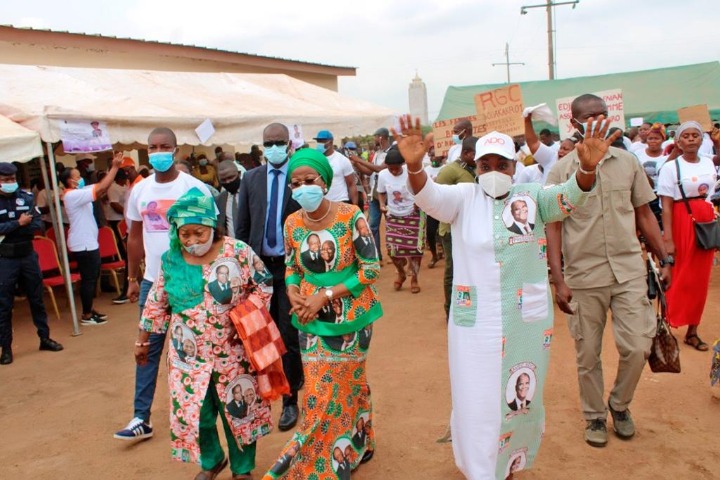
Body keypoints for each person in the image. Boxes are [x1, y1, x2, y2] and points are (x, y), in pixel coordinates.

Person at [394, 113, 606, 480]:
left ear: (514, 166)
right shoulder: (463, 197)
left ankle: (509, 463)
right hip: (473, 322)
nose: (493, 170)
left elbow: (570, 199)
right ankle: (478, 468)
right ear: (475, 166)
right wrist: (415, 168)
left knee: (519, 395)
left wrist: (586, 170)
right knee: (475, 395)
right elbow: (429, 196)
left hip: (524, 321)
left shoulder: (534, 196)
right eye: (485, 164)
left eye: (501, 164)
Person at [546, 94, 672, 449]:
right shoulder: (561, 171)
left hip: (629, 269)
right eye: (590, 117)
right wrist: (559, 279)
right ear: (575, 124)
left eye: (603, 114)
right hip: (584, 277)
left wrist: (665, 258)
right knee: (588, 355)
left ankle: (619, 405)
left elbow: (645, 214)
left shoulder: (627, 162)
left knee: (637, 346)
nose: (598, 121)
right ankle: (594, 416)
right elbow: (553, 227)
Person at [137, 187, 272, 480]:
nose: (192, 241)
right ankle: (212, 461)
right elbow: (157, 302)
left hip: (234, 351)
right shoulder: (171, 260)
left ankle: (242, 468)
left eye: (198, 232)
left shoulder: (237, 252)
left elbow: (264, 285)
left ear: (212, 225)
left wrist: (245, 318)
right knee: (197, 412)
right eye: (184, 234)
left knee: (238, 410)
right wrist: (143, 340)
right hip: (188, 356)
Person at [263, 148, 381, 479]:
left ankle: (361, 439)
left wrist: (326, 295)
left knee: (351, 384)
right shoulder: (292, 223)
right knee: (318, 394)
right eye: (295, 183)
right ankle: (318, 460)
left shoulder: (351, 216)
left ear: (324, 182)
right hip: (309, 319)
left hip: (352, 321)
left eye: (309, 180)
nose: (302, 188)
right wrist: (292, 291)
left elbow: (370, 269)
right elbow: (291, 266)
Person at [114, 127, 213, 441]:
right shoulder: (140, 192)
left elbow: (215, 234)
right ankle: (140, 417)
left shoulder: (195, 188)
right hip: (150, 282)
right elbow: (133, 237)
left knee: (194, 350)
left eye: (164, 146)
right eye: (152, 147)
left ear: (176, 149)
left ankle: (197, 415)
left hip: (189, 282)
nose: (158, 152)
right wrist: (132, 278)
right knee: (147, 348)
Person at [236, 123, 304, 432]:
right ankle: (266, 392)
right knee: (261, 334)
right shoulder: (250, 179)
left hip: (291, 269)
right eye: (268, 142)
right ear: (262, 146)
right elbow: (242, 227)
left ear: (289, 144)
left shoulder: (300, 176)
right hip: (260, 271)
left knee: (288, 336)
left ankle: (290, 400)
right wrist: (244, 269)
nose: (273, 147)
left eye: (279, 142)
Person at [657, 121, 718, 351]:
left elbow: (711, 196)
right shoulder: (671, 167)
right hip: (681, 221)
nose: (691, 139)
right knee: (677, 275)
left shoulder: (709, 163)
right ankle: (666, 328)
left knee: (700, 280)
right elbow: (666, 205)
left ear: (701, 140)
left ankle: (693, 331)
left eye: (695, 135)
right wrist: (668, 238)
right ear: (678, 141)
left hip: (705, 222)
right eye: (686, 136)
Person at [0, 162, 64, 365]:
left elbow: (36, 224)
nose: (10, 183)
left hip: (27, 254)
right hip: (6, 258)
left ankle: (44, 338)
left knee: (37, 298)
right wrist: (18, 223)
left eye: (12, 179)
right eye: (5, 180)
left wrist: (9, 228)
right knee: (4, 304)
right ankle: (6, 348)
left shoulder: (26, 198)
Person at [60, 152, 123, 325]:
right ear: (69, 181)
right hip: (83, 244)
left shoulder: (79, 191)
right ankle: (86, 315)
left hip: (87, 242)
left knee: (91, 277)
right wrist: (115, 167)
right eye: (77, 177)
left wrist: (111, 170)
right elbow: (101, 188)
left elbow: (102, 185)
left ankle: (89, 309)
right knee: (88, 279)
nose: (80, 178)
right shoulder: (72, 195)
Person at [436, 136, 477, 320]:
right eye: (476, 154)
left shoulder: (474, 169)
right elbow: (437, 199)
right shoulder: (449, 171)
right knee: (453, 270)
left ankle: (469, 308)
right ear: (466, 153)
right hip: (451, 229)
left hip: (472, 227)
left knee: (472, 269)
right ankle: (450, 310)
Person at [377, 147, 424, 293]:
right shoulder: (383, 175)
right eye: (391, 169)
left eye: (397, 169)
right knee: (392, 251)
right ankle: (401, 273)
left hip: (413, 214)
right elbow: (380, 192)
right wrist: (381, 204)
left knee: (416, 250)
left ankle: (414, 278)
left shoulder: (411, 173)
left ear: (402, 165)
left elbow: (422, 189)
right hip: (393, 215)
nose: (394, 172)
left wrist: (419, 201)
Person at [349, 127, 390, 261]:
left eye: (374, 137)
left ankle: (394, 254)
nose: (373, 140)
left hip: (387, 193)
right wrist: (355, 163)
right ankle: (377, 255)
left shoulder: (391, 152)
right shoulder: (377, 153)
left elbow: (379, 169)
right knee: (372, 226)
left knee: (391, 224)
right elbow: (369, 172)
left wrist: (359, 160)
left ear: (381, 137)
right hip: (375, 193)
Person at [313, 130, 358, 205]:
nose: (319, 144)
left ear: (330, 142)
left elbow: (351, 184)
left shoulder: (342, 160)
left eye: (322, 141)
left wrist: (355, 206)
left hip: (340, 201)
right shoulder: (315, 160)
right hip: (321, 204)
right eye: (318, 141)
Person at [423, 133, 445, 268]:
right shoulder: (426, 170)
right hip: (432, 206)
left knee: (446, 233)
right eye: (430, 155)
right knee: (430, 232)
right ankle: (434, 255)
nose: (432, 158)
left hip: (445, 204)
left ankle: (447, 253)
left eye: (434, 155)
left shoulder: (446, 168)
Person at [216, 159, 242, 238]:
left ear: (239, 174)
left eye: (231, 177)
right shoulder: (220, 199)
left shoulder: (251, 193)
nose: (228, 182)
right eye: (223, 180)